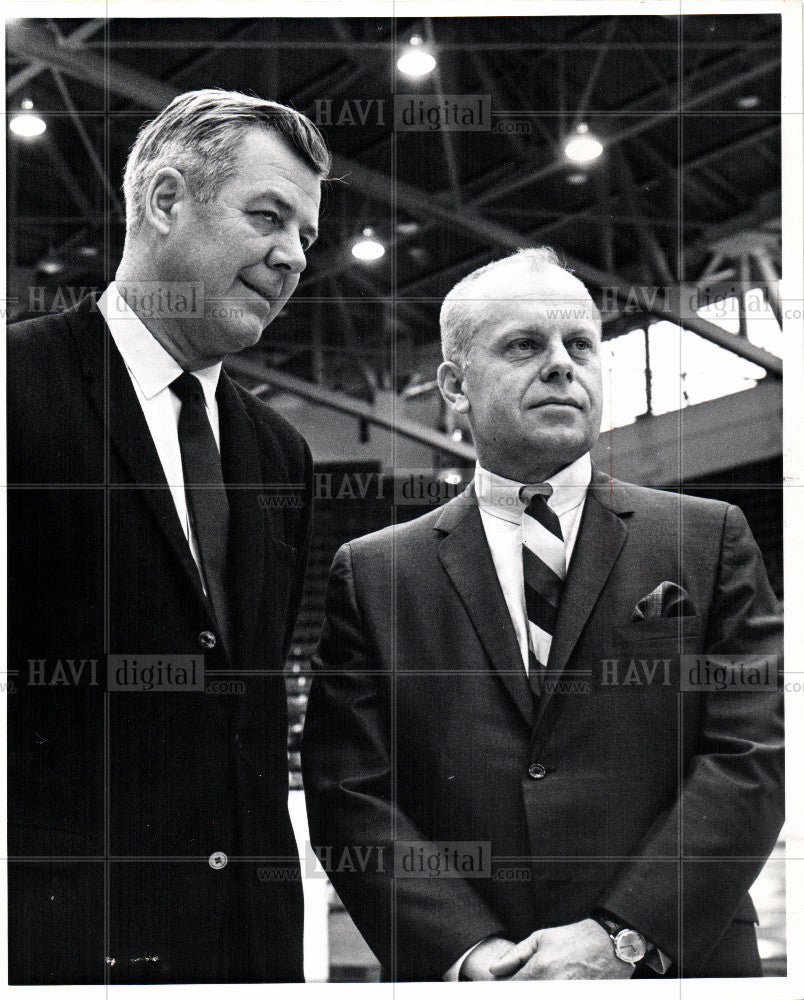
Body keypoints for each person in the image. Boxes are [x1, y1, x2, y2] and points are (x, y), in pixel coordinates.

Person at [301, 247, 784, 981]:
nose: (562, 365)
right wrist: (472, 954)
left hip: (681, 967)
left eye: (580, 345)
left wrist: (621, 936)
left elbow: (751, 761)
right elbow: (350, 795)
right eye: (525, 345)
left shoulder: (708, 536)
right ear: (455, 388)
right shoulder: (373, 574)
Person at [7, 89, 330, 984]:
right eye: (268, 216)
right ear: (163, 201)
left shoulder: (281, 454)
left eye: (306, 234)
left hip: (248, 950)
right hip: (58, 950)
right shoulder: (13, 388)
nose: (292, 256)